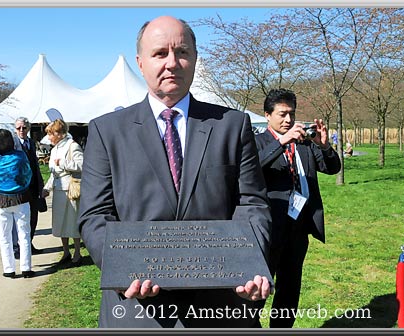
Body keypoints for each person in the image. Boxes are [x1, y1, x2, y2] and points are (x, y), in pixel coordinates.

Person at [77, 16, 272, 328]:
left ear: (194, 59)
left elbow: (252, 204)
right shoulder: (106, 132)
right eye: (159, 54)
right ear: (140, 63)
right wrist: (122, 268)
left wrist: (249, 264)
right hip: (137, 310)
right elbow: (95, 214)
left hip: (221, 307)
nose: (172, 63)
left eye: (182, 52)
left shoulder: (232, 126)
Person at [255, 88, 341, 328]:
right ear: (267, 115)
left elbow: (332, 168)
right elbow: (252, 169)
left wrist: (323, 147)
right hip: (268, 227)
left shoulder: (303, 143)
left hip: (298, 227)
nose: (289, 120)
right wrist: (281, 142)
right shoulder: (257, 141)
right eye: (282, 114)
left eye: (291, 114)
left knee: (290, 288)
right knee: (258, 288)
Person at [0, 129, 35, 279]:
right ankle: (26, 268)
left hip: (0, 201)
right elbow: (27, 174)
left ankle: (9, 269)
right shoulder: (19, 156)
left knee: (4, 237)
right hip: (21, 198)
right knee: (24, 235)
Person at [42, 119, 83, 265]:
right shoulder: (54, 149)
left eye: (50, 134)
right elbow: (54, 174)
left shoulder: (72, 146)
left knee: (72, 221)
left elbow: (81, 165)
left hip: (70, 189)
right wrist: (47, 188)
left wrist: (64, 163)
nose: (49, 137)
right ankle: (66, 251)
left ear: (59, 134)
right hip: (58, 189)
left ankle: (77, 251)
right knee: (60, 222)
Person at [13, 117, 45, 256]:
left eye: (24, 128)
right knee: (20, 219)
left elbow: (35, 165)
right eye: (19, 128)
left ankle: (28, 244)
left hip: (33, 186)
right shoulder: (13, 144)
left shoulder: (31, 143)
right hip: (20, 187)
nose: (21, 130)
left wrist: (41, 184)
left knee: (33, 217)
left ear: (28, 129)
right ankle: (18, 247)